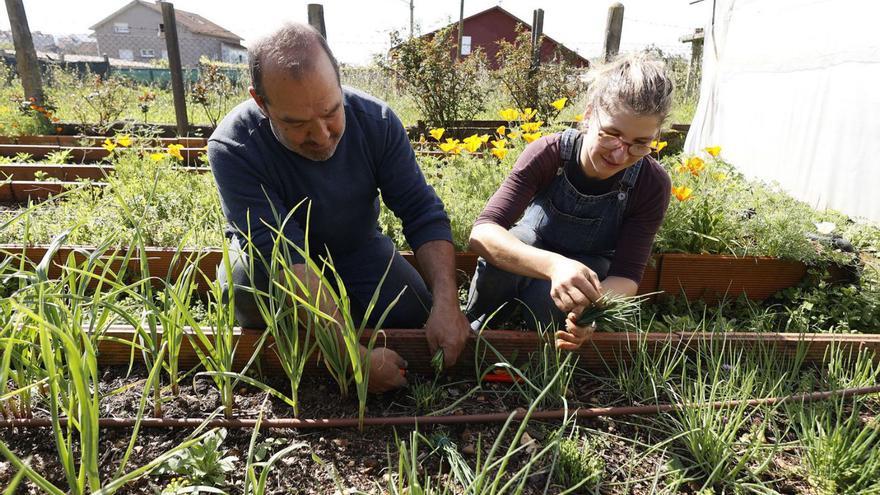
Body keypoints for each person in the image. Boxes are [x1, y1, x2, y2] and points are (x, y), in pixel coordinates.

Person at [208, 22, 470, 393]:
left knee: (415, 310)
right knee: (253, 299)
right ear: (261, 102)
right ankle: (323, 329)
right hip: (271, 263)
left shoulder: (375, 121)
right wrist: (351, 356)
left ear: (339, 81)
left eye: (331, 111)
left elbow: (421, 212)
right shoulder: (234, 147)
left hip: (354, 246)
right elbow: (284, 254)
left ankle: (343, 311)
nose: (322, 135)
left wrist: (448, 302)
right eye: (296, 123)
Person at [465, 53, 673, 350]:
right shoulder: (549, 153)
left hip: (589, 269)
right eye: (611, 134)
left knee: (554, 309)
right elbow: (483, 232)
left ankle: (538, 332)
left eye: (640, 144)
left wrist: (590, 314)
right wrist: (554, 266)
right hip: (532, 250)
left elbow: (626, 277)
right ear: (588, 115)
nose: (619, 154)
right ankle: (479, 322)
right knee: (507, 255)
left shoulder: (651, 183)